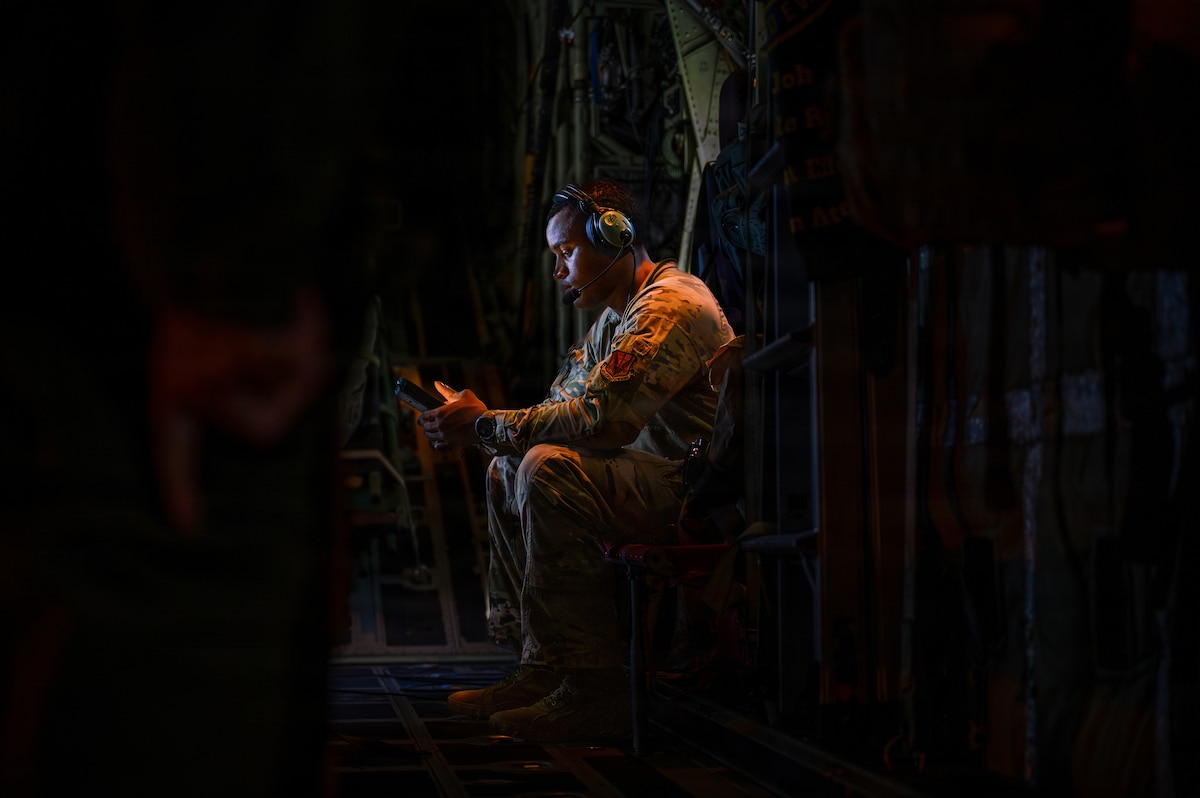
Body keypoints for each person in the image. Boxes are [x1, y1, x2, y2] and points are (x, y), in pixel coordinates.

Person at [418, 179, 735, 741]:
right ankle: (545, 668)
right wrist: (479, 431)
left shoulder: (670, 306)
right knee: (509, 466)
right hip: (647, 480)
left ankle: (593, 691)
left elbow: (601, 420)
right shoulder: (615, 320)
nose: (560, 270)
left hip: (694, 491)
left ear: (612, 233)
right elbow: (561, 408)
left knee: (545, 466)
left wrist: (487, 423)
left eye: (566, 253)